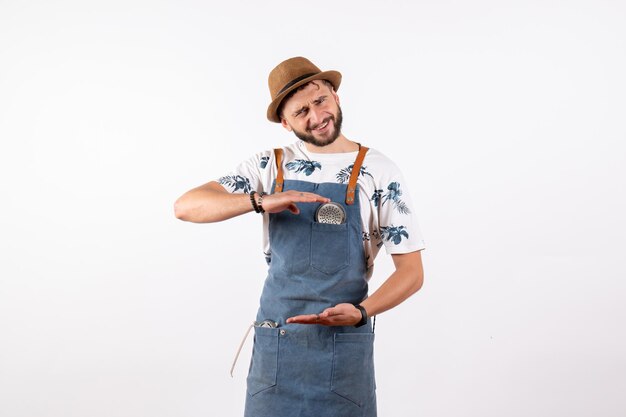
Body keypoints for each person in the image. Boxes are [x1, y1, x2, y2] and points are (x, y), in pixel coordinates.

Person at [174, 56, 425, 417]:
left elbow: (411, 273)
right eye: (301, 111)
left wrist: (360, 312)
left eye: (320, 101)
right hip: (277, 348)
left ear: (335, 95)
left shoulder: (380, 171)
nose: (316, 116)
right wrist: (262, 200)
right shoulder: (269, 166)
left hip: (344, 350)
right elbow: (186, 206)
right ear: (285, 122)